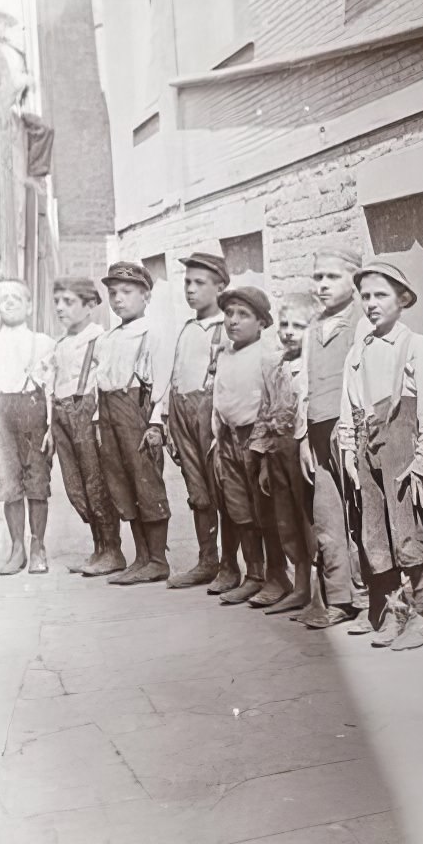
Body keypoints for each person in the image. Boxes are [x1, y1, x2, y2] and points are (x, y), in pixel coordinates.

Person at [340, 249, 423, 649]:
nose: (372, 304)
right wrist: (349, 445)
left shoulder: (415, 346)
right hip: (367, 445)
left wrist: (422, 458)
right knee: (374, 532)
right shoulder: (359, 349)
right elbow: (349, 401)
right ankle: (395, 609)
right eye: (365, 296)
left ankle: (422, 612)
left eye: (381, 295)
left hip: (402, 444)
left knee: (406, 528)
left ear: (402, 299)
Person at [296, 247, 372, 630]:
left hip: (350, 431)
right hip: (318, 431)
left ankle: (371, 597)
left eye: (332, 277)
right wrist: (302, 440)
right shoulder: (312, 329)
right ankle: (338, 598)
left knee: (361, 513)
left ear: (354, 281)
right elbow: (304, 388)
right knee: (326, 518)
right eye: (318, 277)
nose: (322, 285)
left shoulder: (361, 323)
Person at [164, 252, 240, 592]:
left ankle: (230, 566)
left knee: (223, 491)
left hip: (212, 418)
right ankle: (206, 559)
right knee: (198, 492)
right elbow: (175, 376)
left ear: (220, 287)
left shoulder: (227, 328)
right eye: (187, 282)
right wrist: (165, 420)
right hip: (183, 415)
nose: (190, 289)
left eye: (199, 283)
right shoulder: (187, 329)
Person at [93, 262, 174, 585]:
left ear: (146, 295)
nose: (118, 299)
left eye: (127, 292)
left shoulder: (153, 333)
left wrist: (156, 423)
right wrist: (99, 421)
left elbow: (164, 381)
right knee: (121, 484)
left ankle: (157, 559)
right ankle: (140, 557)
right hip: (110, 412)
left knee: (146, 482)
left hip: (138, 413)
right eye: (113, 293)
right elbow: (100, 380)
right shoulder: (108, 337)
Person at [211, 286, 288, 606]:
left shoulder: (268, 356)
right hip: (228, 439)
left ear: (261, 322)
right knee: (239, 509)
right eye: (229, 313)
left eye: (243, 315)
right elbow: (220, 400)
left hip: (257, 440)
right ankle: (253, 574)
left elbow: (271, 404)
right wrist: (218, 441)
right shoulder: (224, 355)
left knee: (264, 511)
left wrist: (264, 448)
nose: (233, 321)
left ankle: (277, 576)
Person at [0, 279, 55, 575]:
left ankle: (37, 547)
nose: (9, 302)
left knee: (37, 481)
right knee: (8, 482)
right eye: (3, 297)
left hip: (33, 413)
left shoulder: (44, 342)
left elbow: (50, 390)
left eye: (16, 297)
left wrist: (51, 428)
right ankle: (16, 547)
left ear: (29, 305)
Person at [248, 291, 320, 613]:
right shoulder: (273, 365)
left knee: (310, 520)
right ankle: (300, 586)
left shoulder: (314, 367)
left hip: (304, 450)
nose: (289, 331)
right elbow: (264, 412)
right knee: (285, 520)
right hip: (278, 451)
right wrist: (264, 460)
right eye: (285, 324)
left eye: (299, 326)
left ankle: (324, 590)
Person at [48, 277, 124, 576]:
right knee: (75, 485)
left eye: (68, 302)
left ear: (90, 305)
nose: (60, 308)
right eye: (57, 302)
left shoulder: (100, 338)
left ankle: (112, 550)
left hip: (88, 414)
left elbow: (108, 381)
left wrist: (97, 422)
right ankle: (98, 549)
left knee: (96, 483)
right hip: (62, 415)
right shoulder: (60, 343)